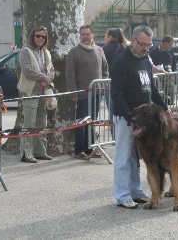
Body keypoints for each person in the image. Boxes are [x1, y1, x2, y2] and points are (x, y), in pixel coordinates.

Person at [111, 25, 170, 209]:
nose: (146, 48)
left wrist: (164, 107)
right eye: (143, 44)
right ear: (133, 40)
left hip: (143, 120)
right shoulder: (121, 62)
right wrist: (129, 117)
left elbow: (151, 88)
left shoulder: (145, 60)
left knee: (136, 157)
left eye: (149, 45)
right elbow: (117, 94)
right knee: (123, 157)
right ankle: (122, 195)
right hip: (126, 118)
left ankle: (135, 191)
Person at [66, 25, 109, 159]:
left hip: (96, 94)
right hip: (82, 95)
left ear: (92, 35)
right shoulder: (74, 52)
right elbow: (70, 74)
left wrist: (103, 83)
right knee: (82, 123)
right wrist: (73, 92)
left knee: (92, 121)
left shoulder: (99, 51)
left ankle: (90, 148)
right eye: (83, 34)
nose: (85, 36)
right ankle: (79, 150)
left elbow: (105, 69)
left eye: (87, 34)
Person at [18, 26, 55, 163]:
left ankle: (40, 152)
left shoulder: (46, 52)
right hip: (31, 91)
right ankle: (26, 154)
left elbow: (51, 70)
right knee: (29, 123)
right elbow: (27, 70)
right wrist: (43, 78)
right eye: (38, 36)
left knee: (42, 122)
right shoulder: (25, 50)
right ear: (32, 36)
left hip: (44, 92)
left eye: (43, 37)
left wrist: (49, 79)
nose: (40, 38)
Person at [103, 28, 128, 137]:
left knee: (112, 110)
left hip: (110, 83)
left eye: (106, 36)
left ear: (111, 37)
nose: (104, 38)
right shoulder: (125, 48)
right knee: (120, 108)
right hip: (123, 83)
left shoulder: (105, 49)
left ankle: (114, 135)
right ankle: (118, 135)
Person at [149, 35, 176, 104]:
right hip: (158, 75)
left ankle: (170, 102)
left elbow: (173, 63)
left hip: (168, 75)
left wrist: (173, 74)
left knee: (170, 87)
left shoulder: (171, 52)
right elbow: (151, 64)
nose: (171, 46)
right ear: (166, 43)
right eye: (170, 44)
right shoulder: (154, 52)